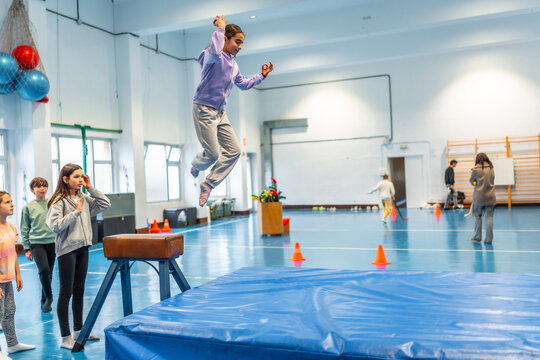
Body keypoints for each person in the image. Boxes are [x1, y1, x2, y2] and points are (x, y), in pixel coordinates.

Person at [190, 15, 274, 206]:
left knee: (234, 151)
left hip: (220, 113)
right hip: (204, 109)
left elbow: (243, 85)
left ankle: (208, 184)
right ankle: (197, 165)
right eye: (237, 41)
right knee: (212, 154)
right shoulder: (211, 56)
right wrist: (220, 29)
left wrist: (261, 76)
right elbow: (214, 51)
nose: (240, 46)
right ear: (226, 39)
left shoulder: (234, 65)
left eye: (242, 43)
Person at [46, 164, 111, 349]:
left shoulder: (82, 196)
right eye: (76, 176)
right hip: (67, 250)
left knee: (80, 290)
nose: (80, 179)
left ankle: (78, 330)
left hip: (83, 246)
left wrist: (90, 188)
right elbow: (55, 226)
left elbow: (105, 204)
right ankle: (66, 337)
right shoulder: (58, 200)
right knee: (66, 292)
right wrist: (76, 212)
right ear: (65, 179)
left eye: (82, 176)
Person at [0, 191, 36, 359]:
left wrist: (18, 275)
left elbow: (13, 253)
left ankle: (12, 344)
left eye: (12, 201)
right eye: (7, 202)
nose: (12, 204)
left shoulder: (11, 228)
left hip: (8, 278)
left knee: (9, 311)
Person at [20, 177, 56, 313]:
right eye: (39, 186)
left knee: (49, 273)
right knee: (44, 270)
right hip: (36, 243)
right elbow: (24, 228)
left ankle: (44, 300)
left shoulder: (51, 204)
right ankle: (50, 298)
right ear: (32, 190)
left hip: (52, 242)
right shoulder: (28, 207)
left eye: (45, 186)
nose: (42, 189)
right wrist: (26, 248)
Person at [469, 153, 496, 244]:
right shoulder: (491, 168)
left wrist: (476, 184)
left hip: (479, 197)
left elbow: (471, 181)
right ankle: (488, 240)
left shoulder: (475, 169)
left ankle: (477, 238)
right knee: (489, 218)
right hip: (491, 197)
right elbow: (493, 179)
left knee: (478, 217)